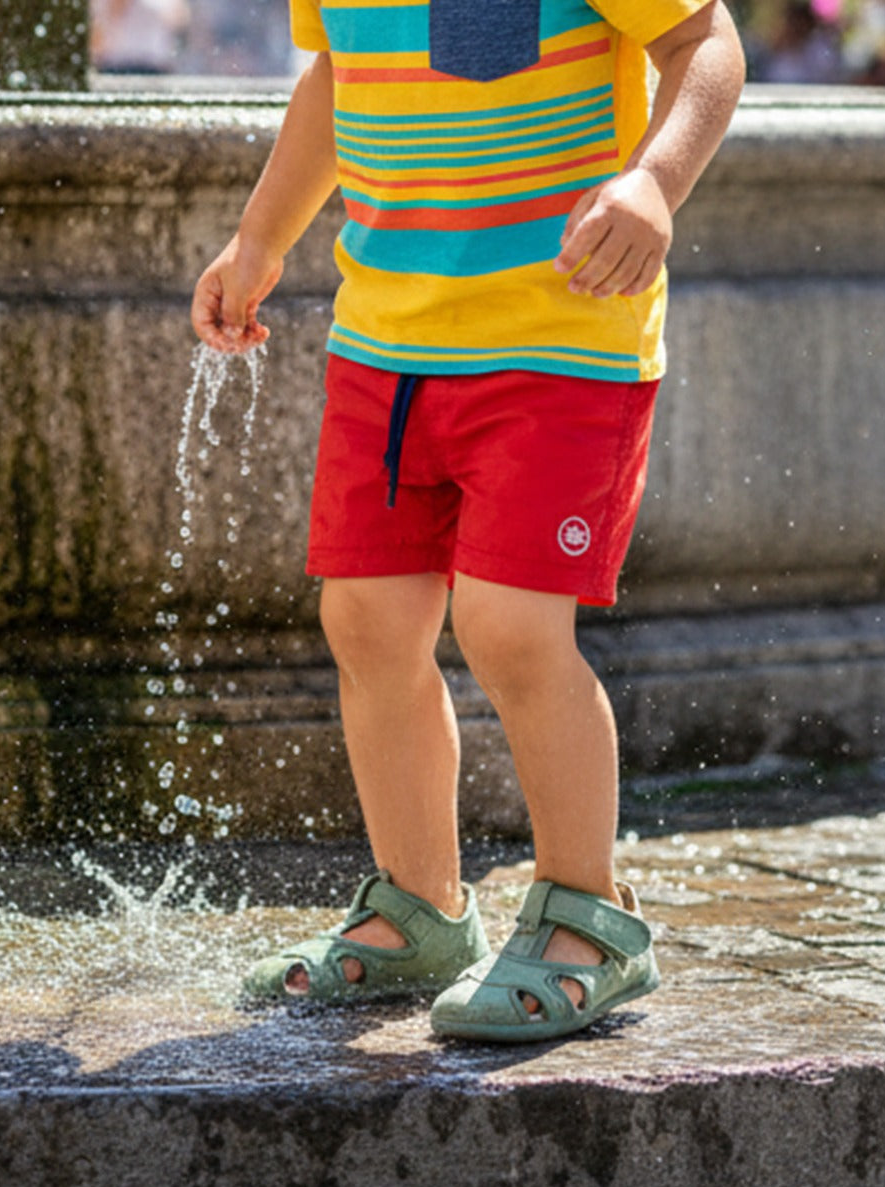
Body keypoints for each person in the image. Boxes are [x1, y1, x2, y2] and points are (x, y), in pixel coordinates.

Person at [191, 0, 745, 1042]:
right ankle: (422, 911)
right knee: (366, 623)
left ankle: (589, 919)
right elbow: (334, 78)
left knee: (510, 626)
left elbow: (704, 43)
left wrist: (653, 182)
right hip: (386, 341)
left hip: (558, 339)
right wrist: (259, 239)